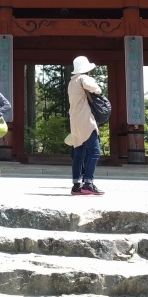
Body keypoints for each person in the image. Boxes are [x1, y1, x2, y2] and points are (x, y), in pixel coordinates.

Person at [65, 56, 104, 195]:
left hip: (75, 121)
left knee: (78, 154)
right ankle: (88, 183)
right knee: (95, 152)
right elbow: (97, 90)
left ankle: (76, 185)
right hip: (85, 120)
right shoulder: (83, 78)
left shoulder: (72, 82)